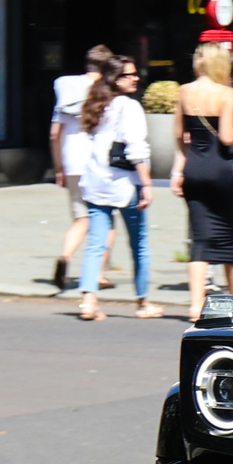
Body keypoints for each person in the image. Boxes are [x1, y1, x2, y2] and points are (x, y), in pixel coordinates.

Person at [64, 61, 158, 321]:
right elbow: (136, 148)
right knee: (139, 244)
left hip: (96, 181)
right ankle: (142, 302)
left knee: (96, 242)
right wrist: (147, 184)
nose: (136, 78)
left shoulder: (96, 103)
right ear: (116, 79)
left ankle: (88, 301)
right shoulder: (130, 107)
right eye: (130, 75)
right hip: (125, 183)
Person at [171, 36, 233, 321]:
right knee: (227, 237)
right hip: (219, 169)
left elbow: (179, 135)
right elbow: (228, 137)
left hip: (194, 167)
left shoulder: (183, 92)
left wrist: (183, 163)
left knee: (200, 239)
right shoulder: (228, 94)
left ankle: (195, 306)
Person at [51, 45, 120, 291]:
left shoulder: (66, 90)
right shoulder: (106, 93)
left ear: (86, 65)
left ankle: (66, 256)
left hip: (71, 161)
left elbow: (54, 134)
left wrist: (59, 167)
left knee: (81, 219)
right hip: (97, 164)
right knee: (107, 220)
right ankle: (99, 275)